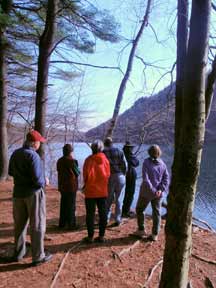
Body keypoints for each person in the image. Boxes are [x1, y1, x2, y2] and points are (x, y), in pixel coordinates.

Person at [8, 130, 52, 266]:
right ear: (34, 143)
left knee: (19, 225)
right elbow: (38, 181)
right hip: (33, 194)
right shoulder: (33, 156)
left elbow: (10, 172)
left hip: (18, 193)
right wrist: (45, 181)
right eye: (39, 142)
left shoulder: (16, 153)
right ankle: (38, 256)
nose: (40, 144)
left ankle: (19, 253)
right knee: (37, 224)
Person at [135, 145, 169, 241]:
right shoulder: (162, 163)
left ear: (149, 152)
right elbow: (166, 178)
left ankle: (141, 230)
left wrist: (155, 190)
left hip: (146, 192)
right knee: (157, 213)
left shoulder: (146, 162)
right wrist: (160, 190)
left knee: (140, 209)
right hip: (158, 194)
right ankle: (155, 234)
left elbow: (146, 179)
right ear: (159, 152)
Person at [82, 139, 110, 243]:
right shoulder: (105, 160)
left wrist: (86, 184)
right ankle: (102, 236)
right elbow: (108, 174)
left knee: (90, 214)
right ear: (101, 149)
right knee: (103, 213)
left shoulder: (88, 160)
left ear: (92, 148)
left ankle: (90, 237)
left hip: (90, 191)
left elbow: (85, 175)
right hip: (102, 190)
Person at [103, 137, 126, 226]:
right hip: (120, 176)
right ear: (112, 143)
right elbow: (125, 164)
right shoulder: (120, 151)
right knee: (119, 198)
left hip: (109, 176)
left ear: (105, 143)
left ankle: (106, 218)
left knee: (108, 198)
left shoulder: (103, 153)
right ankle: (117, 219)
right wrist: (123, 174)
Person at [57, 144, 80, 230]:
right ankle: (71, 224)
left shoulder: (59, 161)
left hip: (62, 185)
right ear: (70, 151)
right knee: (71, 205)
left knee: (63, 204)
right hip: (71, 186)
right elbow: (77, 173)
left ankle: (62, 223)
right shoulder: (72, 161)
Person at [122, 142, 139, 218]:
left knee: (126, 193)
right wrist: (132, 155)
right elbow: (136, 163)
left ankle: (124, 209)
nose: (132, 149)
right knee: (130, 193)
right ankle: (126, 211)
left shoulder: (122, 154)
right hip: (131, 175)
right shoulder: (130, 156)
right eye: (131, 147)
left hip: (124, 175)